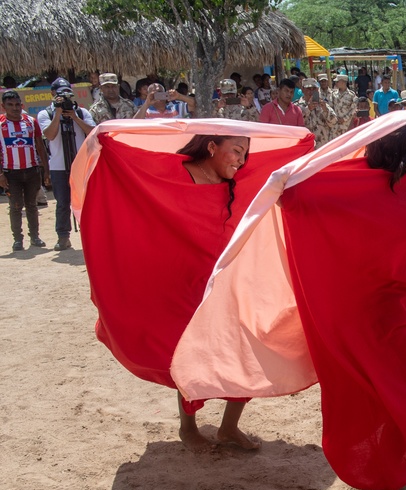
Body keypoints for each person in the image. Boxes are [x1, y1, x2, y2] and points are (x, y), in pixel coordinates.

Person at [170, 112, 406, 490]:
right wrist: (283, 183)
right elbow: (298, 194)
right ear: (396, 150)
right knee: (386, 395)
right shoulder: (354, 187)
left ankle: (389, 462)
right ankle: (385, 473)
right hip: (366, 314)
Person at [75, 127, 313, 449]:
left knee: (242, 345)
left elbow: (275, 177)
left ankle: (229, 427)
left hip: (225, 278)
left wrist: (300, 148)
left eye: (245, 155)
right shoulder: (173, 173)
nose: (241, 161)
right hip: (181, 279)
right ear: (212, 146)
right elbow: (135, 178)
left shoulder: (239, 180)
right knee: (185, 347)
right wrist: (108, 146)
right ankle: (188, 428)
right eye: (236, 151)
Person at [37, 78, 95, 250]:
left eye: (67, 94)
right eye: (60, 94)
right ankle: (63, 236)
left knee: (87, 202)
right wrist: (57, 113)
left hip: (80, 164)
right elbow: (50, 135)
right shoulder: (45, 114)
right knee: (62, 203)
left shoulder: (82, 112)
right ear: (52, 94)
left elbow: (92, 132)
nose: (64, 97)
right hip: (58, 166)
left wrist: (75, 118)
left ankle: (90, 235)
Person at [1, 90, 50, 251]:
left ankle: (34, 236)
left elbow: (40, 147)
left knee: (32, 205)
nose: (14, 108)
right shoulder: (1, 125)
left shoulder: (31, 122)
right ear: (3, 106)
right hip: (10, 173)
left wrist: (46, 170)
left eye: (17, 105)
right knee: (15, 206)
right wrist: (1, 174)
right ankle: (18, 239)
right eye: (10, 105)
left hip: (32, 171)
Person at [296, 78, 337, 147]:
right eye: (308, 89)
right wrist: (308, 109)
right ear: (302, 89)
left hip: (323, 147)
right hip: (307, 147)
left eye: (314, 88)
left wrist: (325, 110)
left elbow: (334, 122)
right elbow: (296, 124)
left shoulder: (323, 104)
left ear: (318, 89)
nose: (311, 92)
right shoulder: (297, 107)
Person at [329, 74, 357, 139]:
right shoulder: (333, 94)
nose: (336, 83)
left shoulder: (351, 95)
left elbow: (353, 109)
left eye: (337, 81)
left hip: (346, 126)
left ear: (343, 82)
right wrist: (334, 118)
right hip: (335, 126)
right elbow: (330, 107)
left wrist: (344, 119)